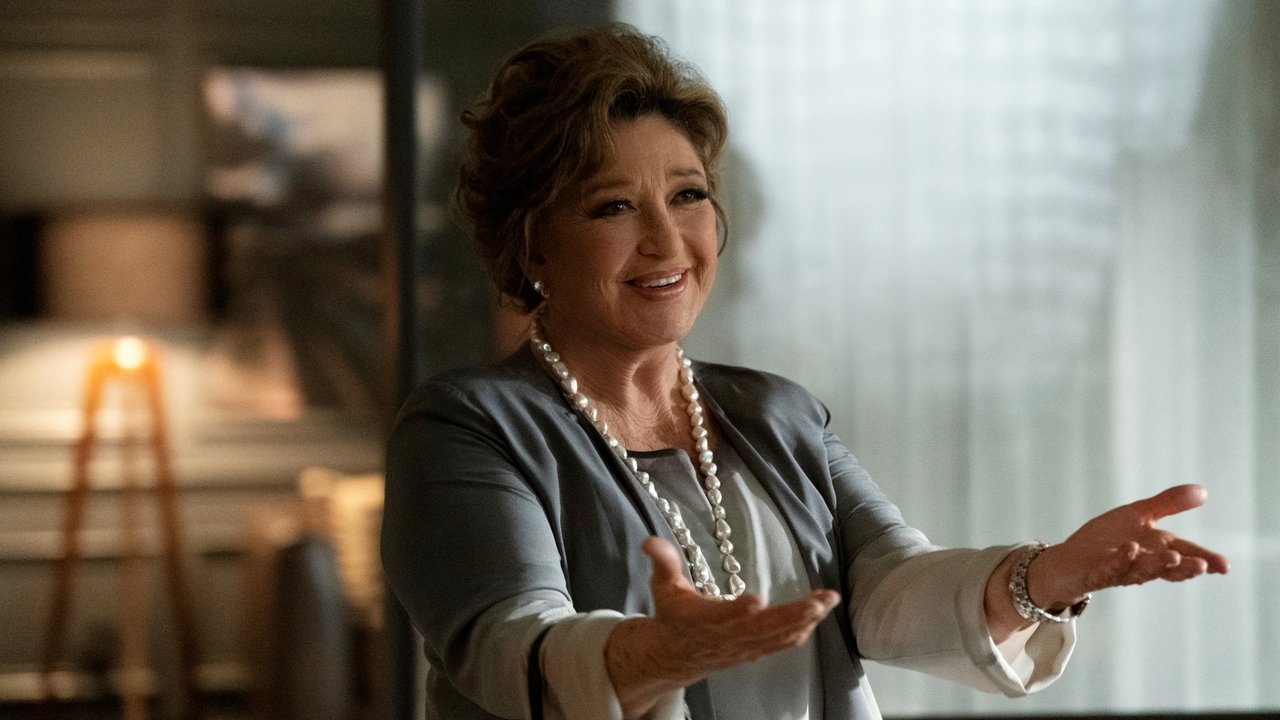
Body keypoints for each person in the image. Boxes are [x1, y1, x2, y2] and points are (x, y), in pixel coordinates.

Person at [380, 23, 1230, 720]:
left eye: (687, 195)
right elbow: (509, 645)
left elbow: (886, 588)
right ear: (531, 247)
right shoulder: (465, 427)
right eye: (614, 206)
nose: (667, 241)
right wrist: (656, 654)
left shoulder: (774, 412)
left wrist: (1051, 575)